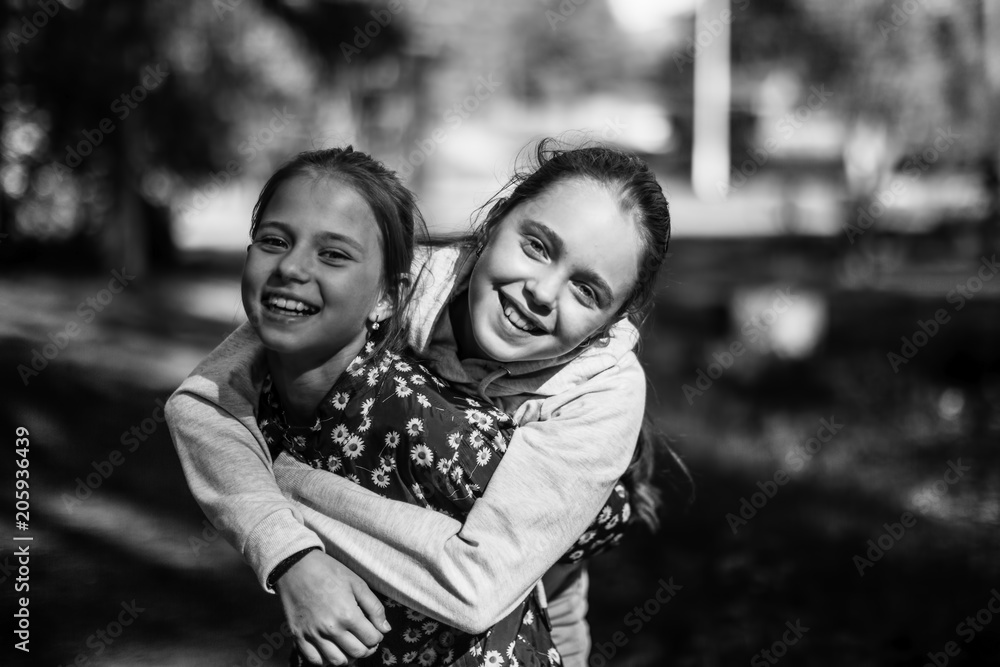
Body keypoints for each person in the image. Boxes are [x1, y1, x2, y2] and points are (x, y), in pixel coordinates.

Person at [167, 139, 677, 666]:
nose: (542, 292)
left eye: (587, 291)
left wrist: (288, 484)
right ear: (494, 222)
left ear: (610, 322)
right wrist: (287, 552)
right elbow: (207, 402)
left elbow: (478, 586)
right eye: (537, 246)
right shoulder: (402, 282)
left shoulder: (603, 390)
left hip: (543, 573)